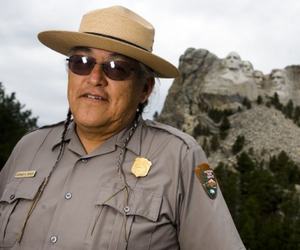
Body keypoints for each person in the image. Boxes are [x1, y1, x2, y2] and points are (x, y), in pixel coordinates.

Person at [0, 6, 245, 250]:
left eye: (117, 67)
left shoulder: (179, 157)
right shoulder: (28, 148)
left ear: (145, 89)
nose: (95, 78)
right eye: (82, 63)